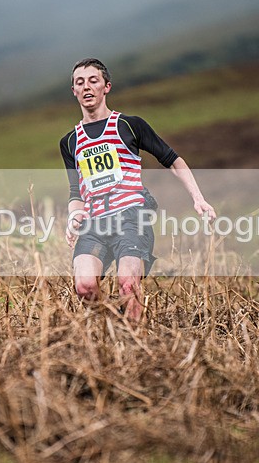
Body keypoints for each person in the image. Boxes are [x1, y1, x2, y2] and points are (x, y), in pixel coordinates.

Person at [59, 58, 215, 321]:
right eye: (80, 82)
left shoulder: (129, 125)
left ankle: (133, 337)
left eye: (93, 81)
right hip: (94, 223)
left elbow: (173, 160)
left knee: (128, 285)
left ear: (106, 86)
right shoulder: (70, 141)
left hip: (131, 218)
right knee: (85, 286)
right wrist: (74, 215)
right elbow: (76, 191)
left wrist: (198, 199)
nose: (86, 87)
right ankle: (114, 326)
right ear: (73, 90)